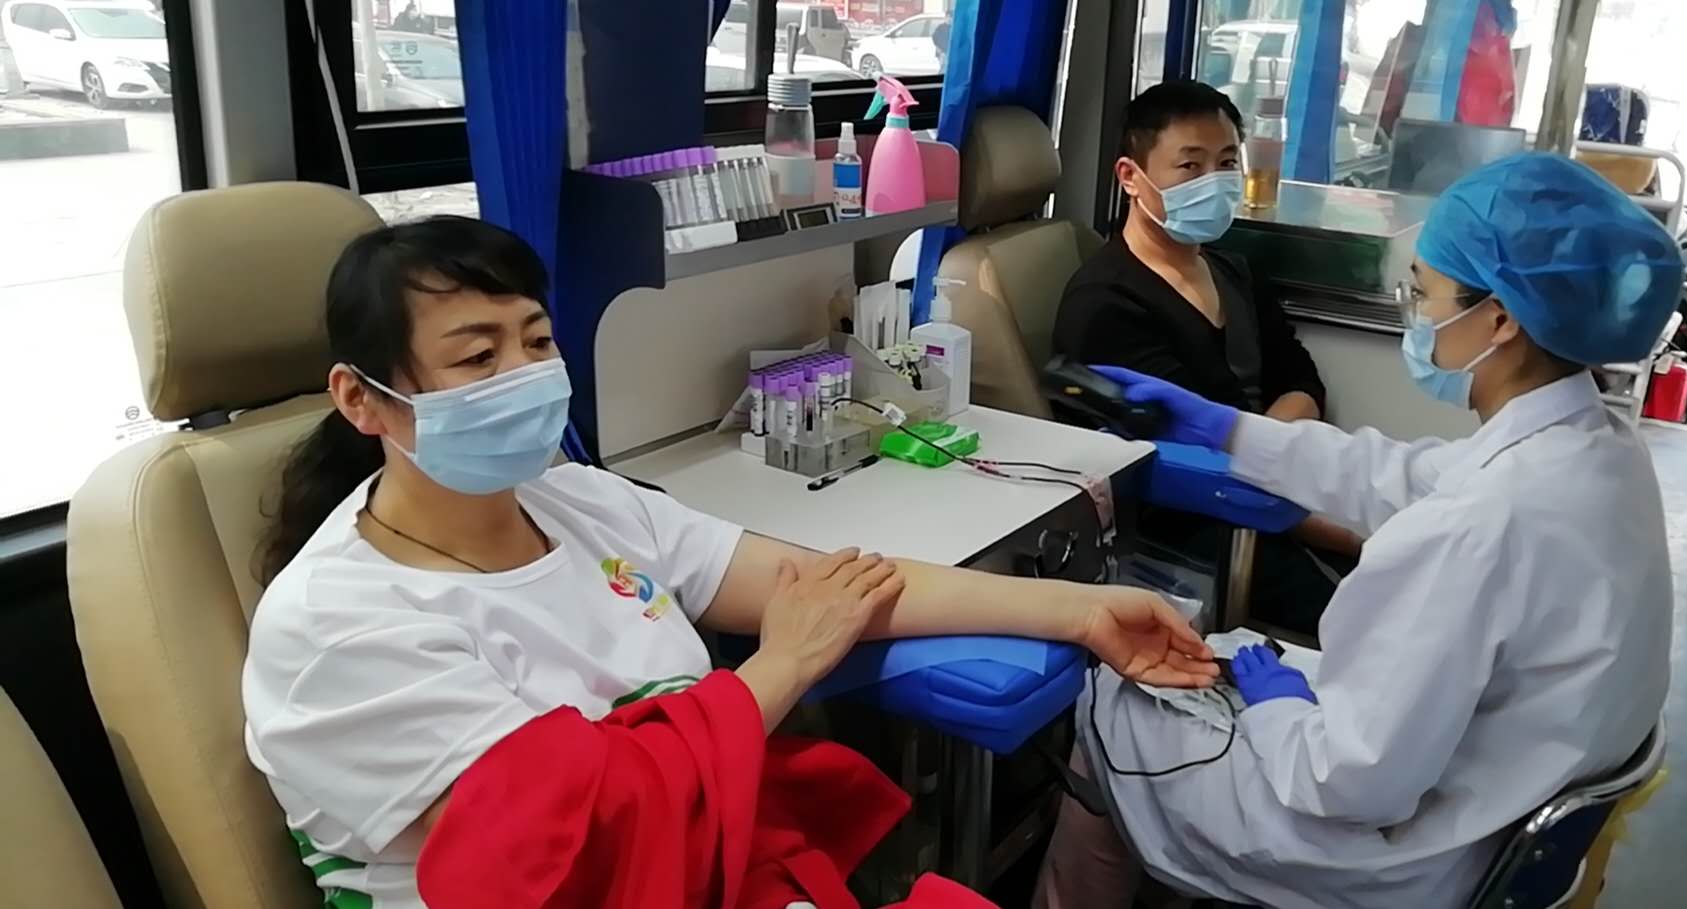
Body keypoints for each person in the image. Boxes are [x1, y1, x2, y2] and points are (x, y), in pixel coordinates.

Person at [240, 216, 1216, 909]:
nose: (524, 376)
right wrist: (779, 667)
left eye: (536, 341)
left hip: (715, 867)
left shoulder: (579, 502)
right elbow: (565, 848)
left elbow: (830, 586)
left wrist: (1080, 610)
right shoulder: (337, 626)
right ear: (361, 400)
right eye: (475, 358)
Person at [1032, 153, 1682, 909]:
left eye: (1424, 293)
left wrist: (1277, 706)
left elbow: (1344, 780)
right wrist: (1227, 429)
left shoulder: (1479, 527)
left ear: (1501, 319)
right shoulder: (1597, 446)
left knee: (1114, 700)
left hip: (1403, 854)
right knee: (1224, 660)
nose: (1415, 313)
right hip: (1504, 787)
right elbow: (1399, 475)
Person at [1053, 80, 1360, 636]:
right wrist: (1356, 531)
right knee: (1375, 620)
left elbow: (1300, 379)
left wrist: (1273, 453)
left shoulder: (1231, 271)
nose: (1213, 181)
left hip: (1280, 491)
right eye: (1190, 166)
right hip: (1199, 522)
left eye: (1225, 163)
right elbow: (1192, 450)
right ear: (1130, 177)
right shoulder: (1105, 303)